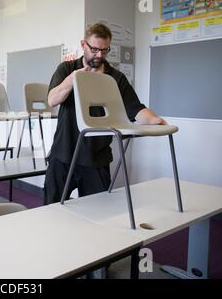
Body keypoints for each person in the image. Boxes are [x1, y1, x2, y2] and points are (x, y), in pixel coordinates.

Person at [44, 23, 167, 204]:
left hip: (96, 158)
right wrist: (73, 79)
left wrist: (155, 120)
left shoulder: (115, 78)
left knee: (98, 213)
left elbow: (136, 109)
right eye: (94, 49)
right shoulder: (66, 69)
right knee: (50, 210)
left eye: (104, 50)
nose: (99, 55)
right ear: (83, 44)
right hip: (63, 153)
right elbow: (52, 100)